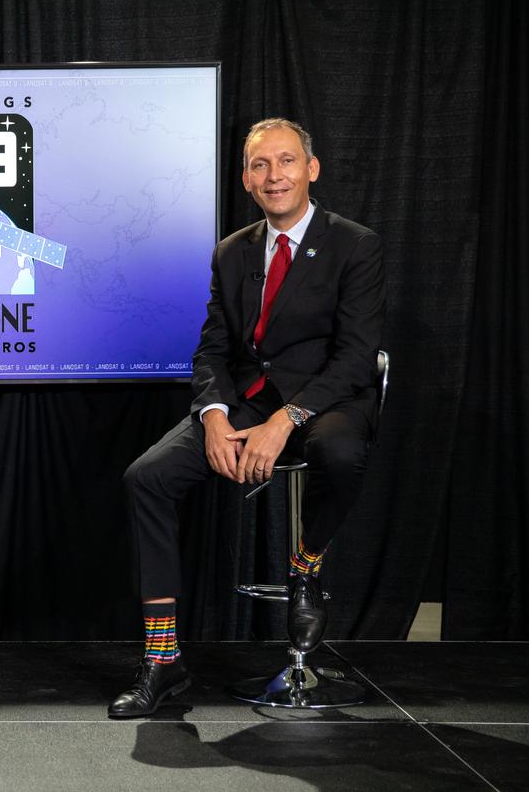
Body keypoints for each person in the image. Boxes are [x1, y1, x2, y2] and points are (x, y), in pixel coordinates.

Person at [108, 118, 385, 718]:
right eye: (260, 166)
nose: (274, 175)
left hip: (328, 398)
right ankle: (163, 659)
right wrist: (211, 414)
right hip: (245, 401)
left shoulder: (354, 244)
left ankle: (306, 564)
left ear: (311, 169)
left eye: (286, 162)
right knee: (146, 478)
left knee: (339, 451)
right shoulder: (232, 252)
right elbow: (213, 349)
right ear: (246, 179)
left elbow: (357, 357)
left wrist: (286, 419)